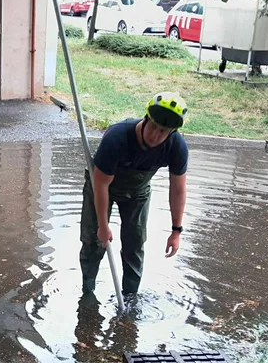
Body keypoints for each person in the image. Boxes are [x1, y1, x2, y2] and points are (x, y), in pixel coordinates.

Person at [80, 92, 189, 296]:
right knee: (94, 241)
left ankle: (130, 296)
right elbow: (101, 185)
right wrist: (103, 226)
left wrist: (176, 231)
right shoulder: (116, 138)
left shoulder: (176, 147)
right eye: (154, 126)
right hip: (102, 187)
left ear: (172, 133)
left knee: (135, 244)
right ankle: (88, 293)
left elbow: (178, 189)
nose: (156, 135)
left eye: (163, 131)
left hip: (138, 191)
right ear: (146, 118)